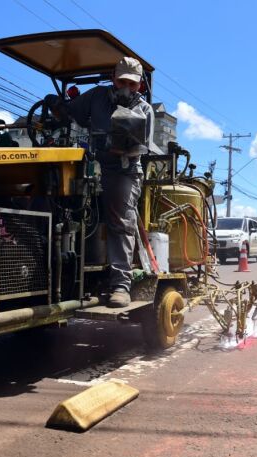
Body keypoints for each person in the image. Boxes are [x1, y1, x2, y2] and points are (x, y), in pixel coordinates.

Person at [65, 57, 155, 307]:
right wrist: (57, 106)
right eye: (122, 81)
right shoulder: (96, 97)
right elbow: (72, 112)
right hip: (94, 165)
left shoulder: (144, 110)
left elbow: (138, 149)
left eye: (132, 84)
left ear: (140, 86)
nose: (126, 87)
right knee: (69, 211)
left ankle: (121, 286)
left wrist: (112, 145)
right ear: (112, 78)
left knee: (120, 222)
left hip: (124, 171)